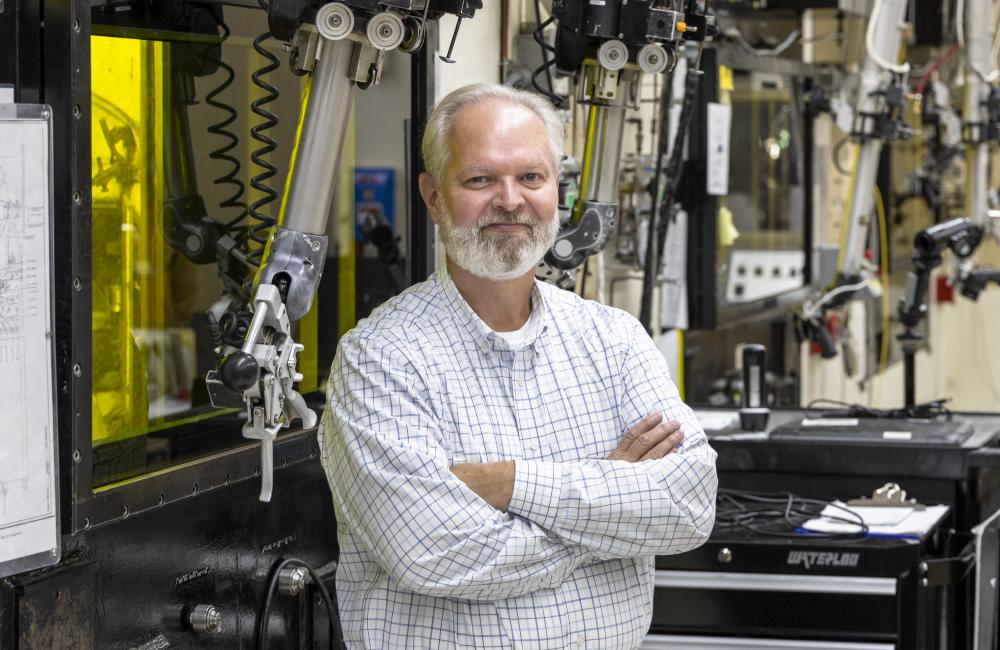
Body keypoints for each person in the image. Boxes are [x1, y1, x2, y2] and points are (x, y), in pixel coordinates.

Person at [319, 82, 717, 649]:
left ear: (557, 189)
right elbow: (433, 552)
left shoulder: (614, 339)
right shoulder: (381, 358)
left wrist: (508, 483)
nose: (510, 200)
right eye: (480, 179)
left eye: (531, 177)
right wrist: (611, 512)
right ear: (433, 196)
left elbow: (689, 505)